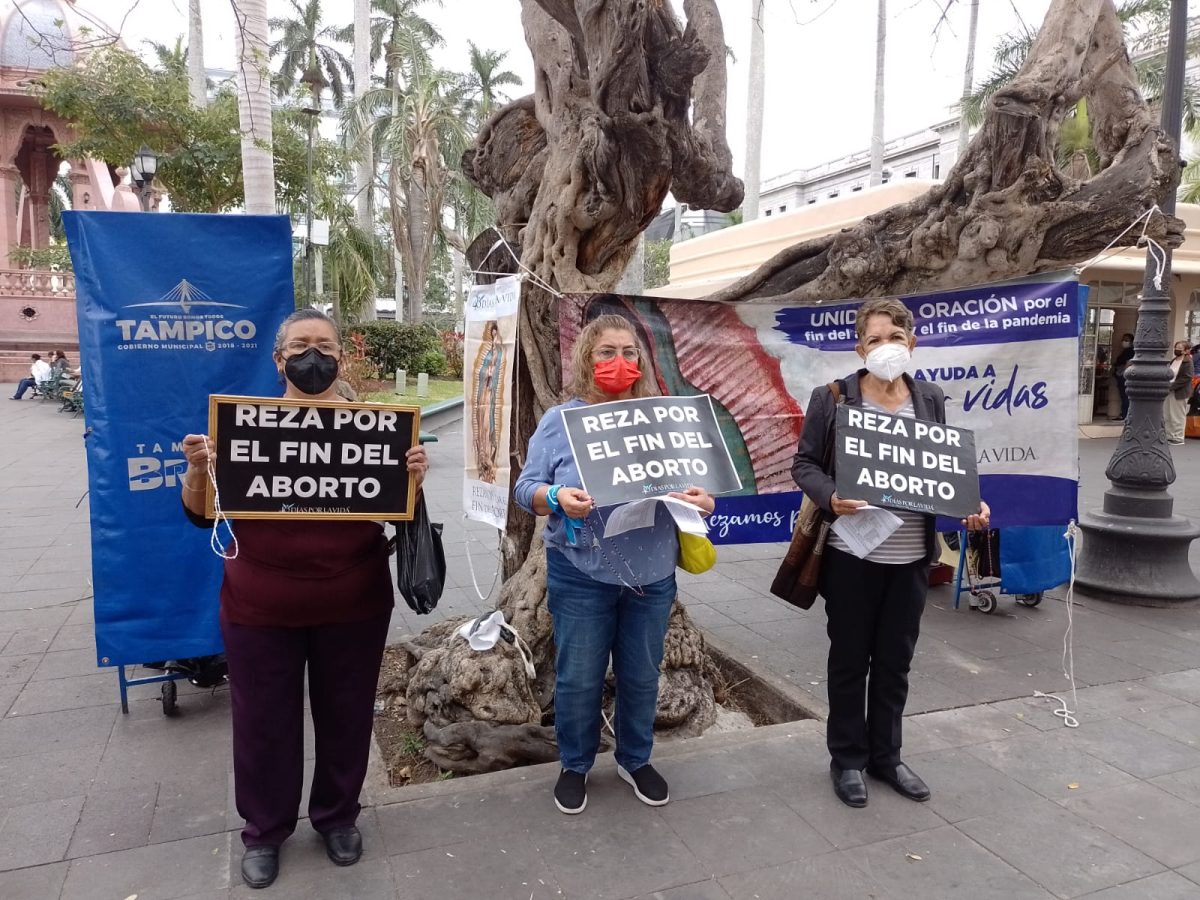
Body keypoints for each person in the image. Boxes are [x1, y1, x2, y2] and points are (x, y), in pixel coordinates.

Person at [180, 308, 428, 890]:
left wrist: (415, 474)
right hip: (260, 606)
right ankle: (264, 830)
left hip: (355, 601)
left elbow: (402, 510)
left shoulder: (375, 428)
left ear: (342, 357)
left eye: (324, 346)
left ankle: (338, 817)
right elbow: (199, 514)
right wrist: (197, 470)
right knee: (263, 722)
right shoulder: (240, 427)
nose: (311, 356)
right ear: (278, 358)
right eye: (299, 346)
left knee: (346, 716)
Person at [791, 298, 991, 810]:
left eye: (895, 338)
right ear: (860, 348)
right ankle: (848, 760)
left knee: (895, 663)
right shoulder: (832, 398)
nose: (886, 348)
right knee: (849, 659)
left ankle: (888, 757)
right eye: (875, 340)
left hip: (909, 559)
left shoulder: (929, 398)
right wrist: (831, 496)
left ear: (912, 344)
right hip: (851, 555)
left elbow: (940, 469)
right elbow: (805, 465)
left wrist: (969, 502)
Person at [514, 314, 715, 815]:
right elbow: (526, 489)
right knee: (578, 677)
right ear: (586, 358)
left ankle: (635, 759)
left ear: (641, 362)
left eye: (629, 352)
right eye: (606, 352)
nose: (619, 362)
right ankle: (575, 764)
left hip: (651, 573)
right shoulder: (561, 421)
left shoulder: (662, 420)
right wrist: (556, 496)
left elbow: (696, 483)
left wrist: (702, 499)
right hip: (581, 572)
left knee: (642, 675)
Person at [1166, 339, 1194, 445]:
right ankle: (1169, 435)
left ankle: (1178, 437)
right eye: (1176, 347)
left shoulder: (1188, 362)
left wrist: (1171, 386)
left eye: (1180, 348)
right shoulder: (1174, 360)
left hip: (1179, 392)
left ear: (1186, 350)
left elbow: (1186, 377)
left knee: (1177, 415)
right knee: (1168, 413)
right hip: (1170, 390)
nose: (1177, 350)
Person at [1113, 332, 1135, 420]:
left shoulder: (1130, 351)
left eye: (1126, 340)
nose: (1123, 342)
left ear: (1131, 342)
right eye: (1123, 340)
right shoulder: (1125, 351)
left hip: (1124, 376)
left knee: (1125, 396)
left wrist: (1122, 373)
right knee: (1123, 396)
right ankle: (1124, 413)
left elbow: (1128, 363)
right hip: (1122, 376)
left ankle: (1125, 414)